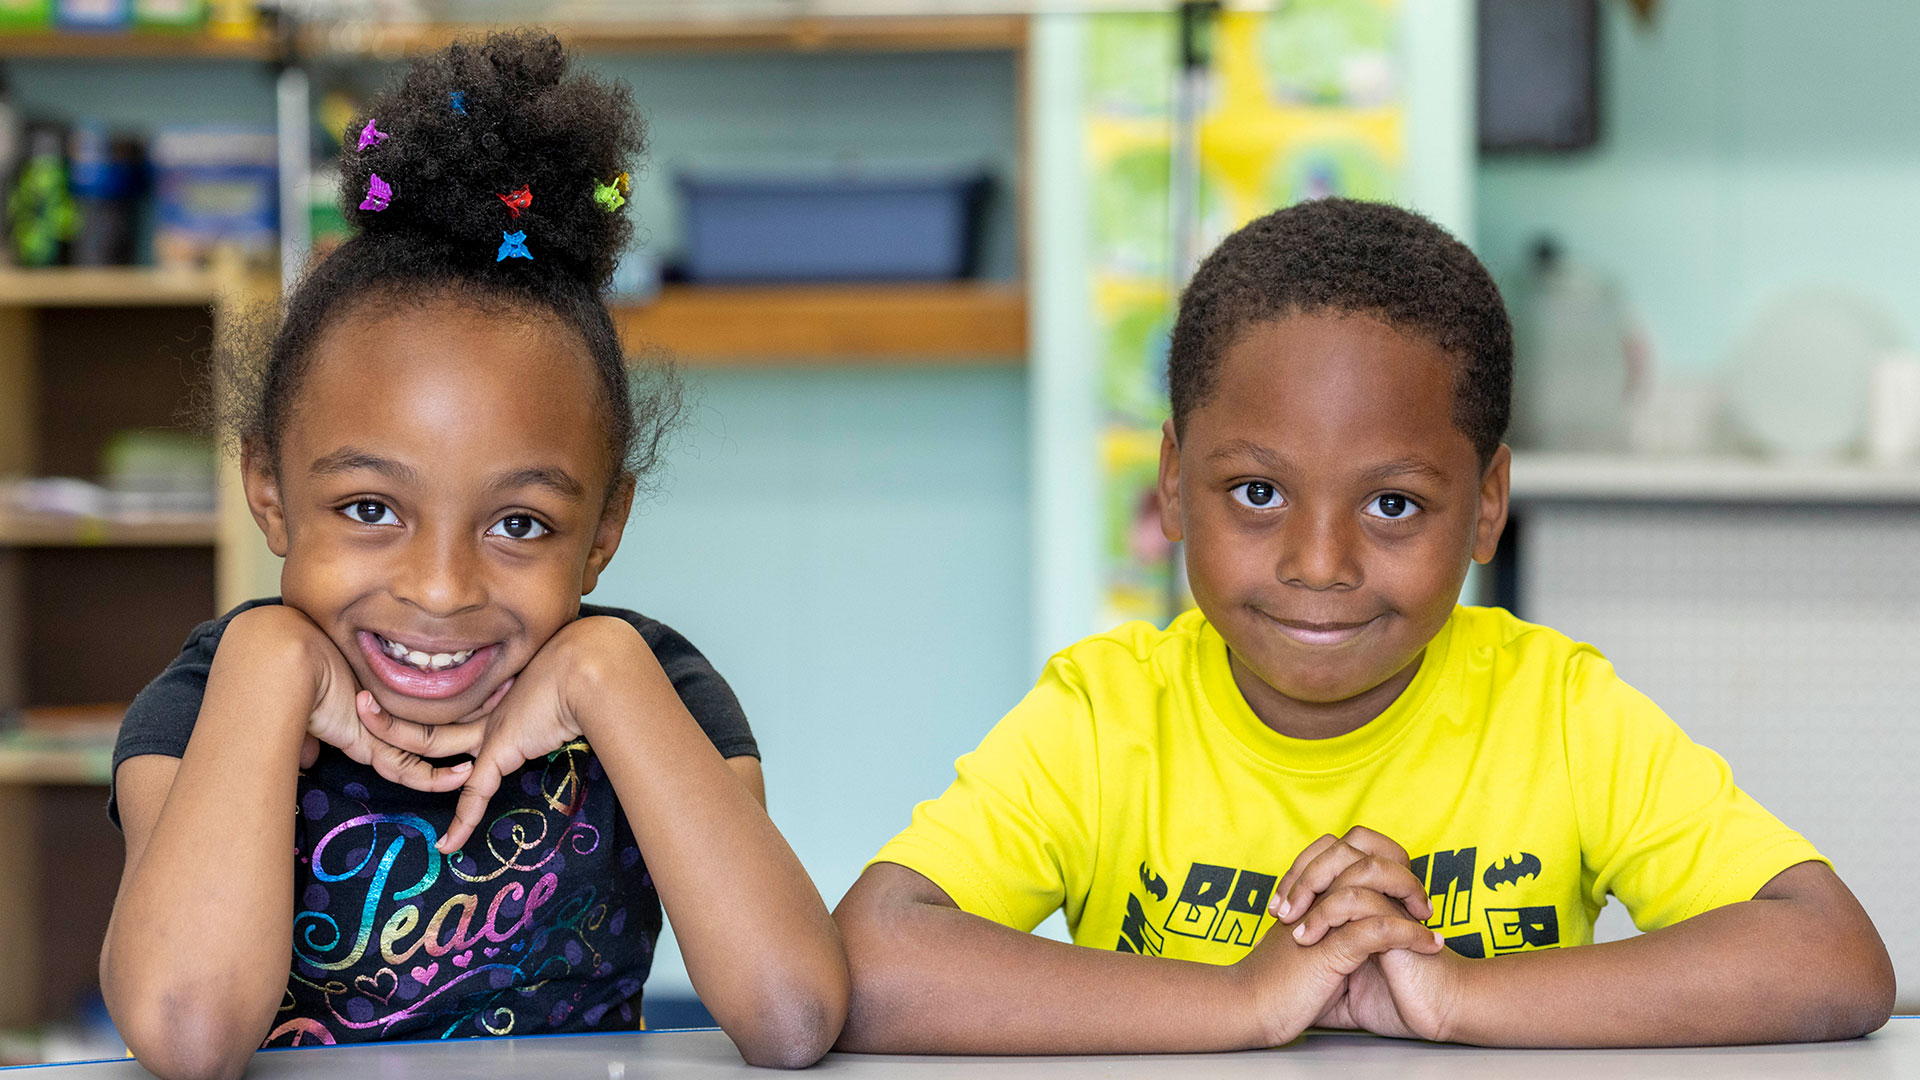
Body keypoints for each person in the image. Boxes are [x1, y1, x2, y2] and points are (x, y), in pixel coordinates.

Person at [833, 198, 1893, 1054]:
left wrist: (1458, 998)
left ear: (1484, 505)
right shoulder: (1106, 715)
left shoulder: (1558, 710)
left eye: (1393, 504)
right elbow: (868, 964)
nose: (1318, 564)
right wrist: (1245, 1003)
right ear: (1170, 482)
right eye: (1257, 492)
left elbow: (1831, 959)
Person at [100, 32, 846, 1080]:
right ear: (267, 488)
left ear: (605, 532)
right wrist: (266, 666)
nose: (442, 590)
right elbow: (185, 1032)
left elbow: (792, 1014)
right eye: (370, 506)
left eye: (520, 525)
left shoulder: (656, 692)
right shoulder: (210, 699)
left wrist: (608, 674)